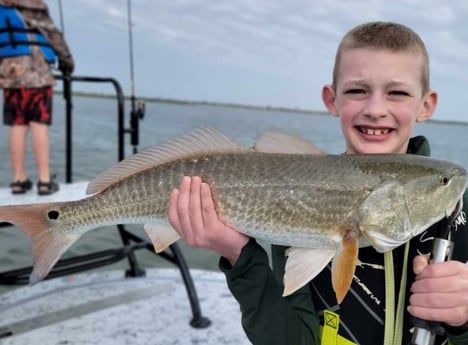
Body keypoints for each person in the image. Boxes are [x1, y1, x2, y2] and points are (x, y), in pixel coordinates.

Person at [168, 22, 468, 344]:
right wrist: (238, 254)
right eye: (357, 90)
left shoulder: (457, 222)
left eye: (397, 92)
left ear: (426, 104)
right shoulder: (296, 197)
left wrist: (463, 321)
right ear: (331, 99)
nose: (376, 110)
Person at [0, 0, 74, 195]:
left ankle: (18, 179)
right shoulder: (34, 5)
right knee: (38, 123)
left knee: (17, 125)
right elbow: (54, 36)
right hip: (37, 71)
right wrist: (67, 62)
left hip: (10, 73)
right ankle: (44, 180)